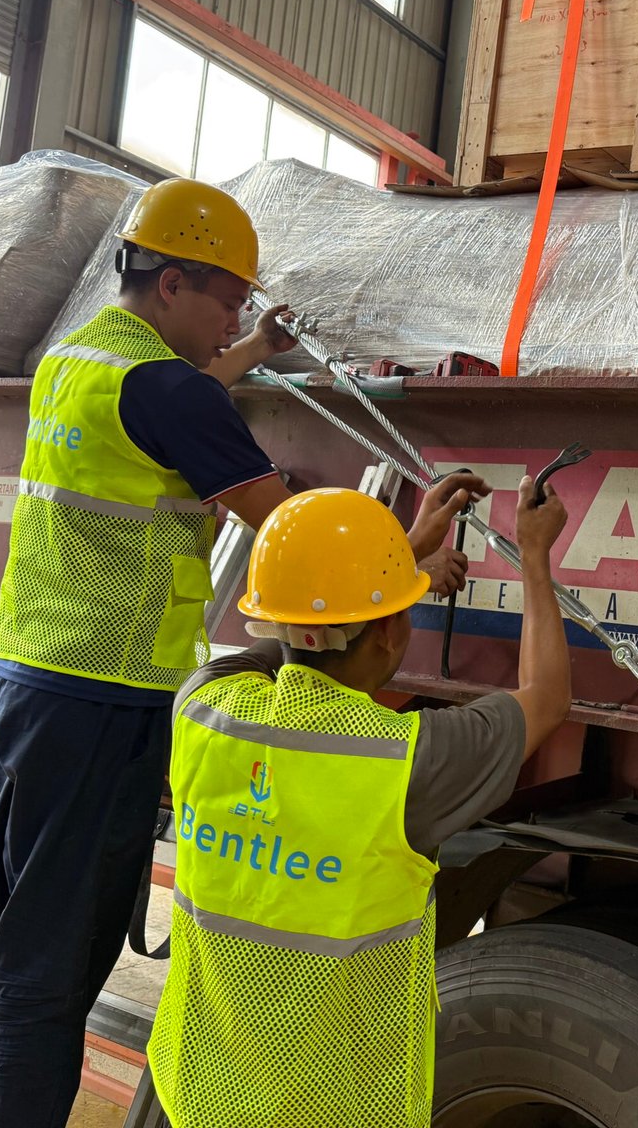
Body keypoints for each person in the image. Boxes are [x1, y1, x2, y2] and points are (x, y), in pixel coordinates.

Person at [0, 178, 480, 1128]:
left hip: (25, 672)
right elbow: (296, 542)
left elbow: (174, 398)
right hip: (101, 695)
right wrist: (407, 555)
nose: (232, 320)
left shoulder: (82, 357)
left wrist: (251, 351)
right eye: (228, 301)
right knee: (56, 948)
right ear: (172, 284)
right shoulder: (164, 388)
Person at [142, 478, 572, 1128]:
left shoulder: (203, 707)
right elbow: (546, 694)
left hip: (198, 1090)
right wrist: (534, 555)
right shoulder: (410, 764)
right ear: (393, 632)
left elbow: (292, 636)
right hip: (336, 1109)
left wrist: (399, 561)